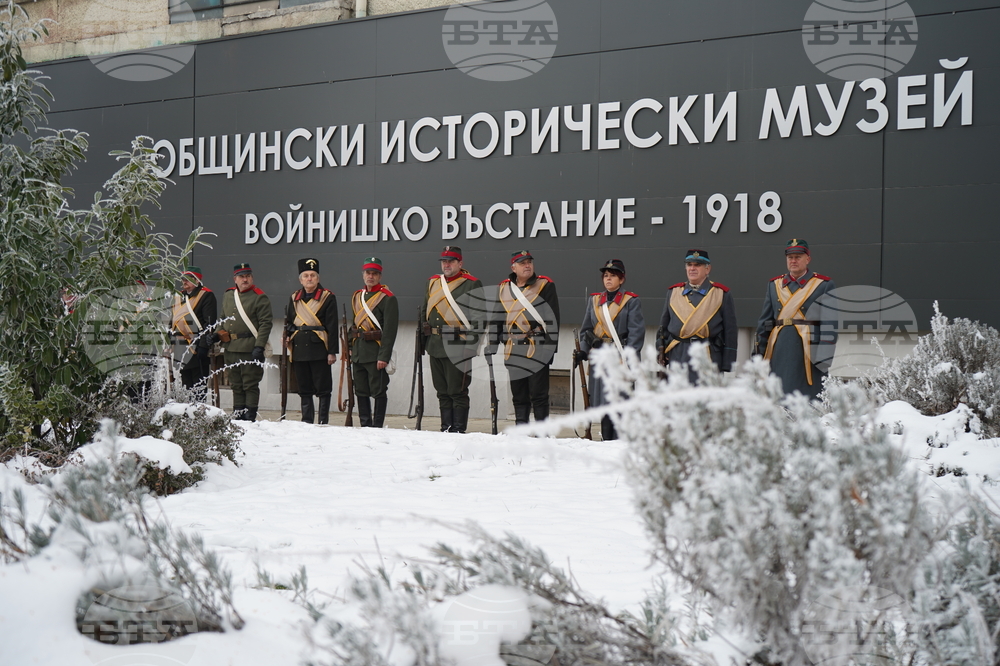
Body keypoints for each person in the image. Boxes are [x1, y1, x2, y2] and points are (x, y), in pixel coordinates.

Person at [754, 239, 837, 399]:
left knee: (807, 399)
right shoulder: (774, 285)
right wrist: (759, 352)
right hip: (779, 349)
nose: (793, 260)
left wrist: (824, 357)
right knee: (778, 395)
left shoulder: (823, 284)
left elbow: (830, 325)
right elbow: (765, 322)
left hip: (808, 351)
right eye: (790, 257)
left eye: (798, 257)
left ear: (808, 259)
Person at [574, 259, 644, 441]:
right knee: (604, 403)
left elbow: (636, 334)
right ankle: (606, 440)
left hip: (620, 357)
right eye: (606, 275)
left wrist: (629, 360)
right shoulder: (595, 300)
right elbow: (586, 330)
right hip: (600, 357)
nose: (608, 279)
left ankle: (620, 443)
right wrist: (583, 350)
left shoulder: (630, 301)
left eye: (613, 276)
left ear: (621, 279)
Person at [487, 250, 560, 424]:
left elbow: (553, 320)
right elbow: (497, 318)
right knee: (519, 395)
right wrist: (492, 343)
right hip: (513, 348)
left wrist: (550, 351)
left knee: (539, 396)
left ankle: (541, 435)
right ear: (513, 267)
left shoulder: (545, 285)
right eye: (522, 263)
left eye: (529, 262)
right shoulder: (504, 288)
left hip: (538, 346)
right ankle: (522, 433)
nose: (527, 265)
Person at [419, 246, 483, 434]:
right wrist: (424, 343)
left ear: (460, 263)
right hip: (435, 344)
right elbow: (425, 312)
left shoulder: (471, 283)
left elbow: (479, 319)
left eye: (451, 261)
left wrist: (471, 347)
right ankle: (445, 428)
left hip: (458, 345)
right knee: (442, 391)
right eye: (444, 261)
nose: (446, 264)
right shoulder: (432, 283)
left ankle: (458, 431)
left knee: (458, 391)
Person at [656, 250, 737, 381]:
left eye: (697, 265)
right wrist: (660, 350)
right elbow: (663, 326)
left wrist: (727, 362)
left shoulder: (721, 293)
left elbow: (730, 331)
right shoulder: (674, 292)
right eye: (689, 265)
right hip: (678, 354)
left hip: (708, 354)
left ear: (707, 269)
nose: (692, 268)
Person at [284, 258, 338, 424]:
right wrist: (286, 335)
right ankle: (306, 421)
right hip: (299, 348)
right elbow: (290, 321)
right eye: (306, 275)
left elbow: (332, 326)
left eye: (313, 275)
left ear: (318, 278)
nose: (309, 278)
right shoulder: (294, 298)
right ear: (300, 279)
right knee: (304, 388)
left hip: (319, 348)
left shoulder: (327, 297)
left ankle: (323, 421)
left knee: (323, 389)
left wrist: (332, 351)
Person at [218, 263, 273, 421]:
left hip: (250, 346)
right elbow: (223, 319)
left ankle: (250, 417)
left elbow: (265, 323)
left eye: (248, 276)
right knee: (236, 384)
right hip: (231, 347)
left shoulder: (259, 297)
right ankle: (238, 416)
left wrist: (259, 346)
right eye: (242, 276)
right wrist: (216, 335)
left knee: (250, 384)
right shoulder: (228, 295)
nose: (245, 279)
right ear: (235, 279)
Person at [348, 257, 398, 428]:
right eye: (368, 273)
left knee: (378, 390)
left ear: (380, 276)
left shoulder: (387, 298)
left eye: (375, 274)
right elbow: (354, 325)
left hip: (375, 352)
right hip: (359, 351)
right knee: (360, 390)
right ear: (363, 275)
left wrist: (383, 356)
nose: (371, 277)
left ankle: (377, 426)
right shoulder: (357, 296)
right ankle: (365, 424)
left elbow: (390, 331)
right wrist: (349, 347)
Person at [171, 265, 217, 399]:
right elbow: (173, 322)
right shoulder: (179, 297)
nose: (184, 281)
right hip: (180, 347)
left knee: (198, 386)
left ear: (197, 281)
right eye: (183, 279)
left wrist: (203, 346)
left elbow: (209, 323)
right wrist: (171, 343)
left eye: (188, 279)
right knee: (185, 385)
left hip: (196, 347)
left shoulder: (206, 295)